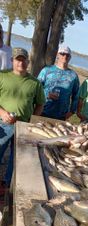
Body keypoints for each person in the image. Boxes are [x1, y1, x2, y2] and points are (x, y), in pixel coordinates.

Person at [0, 48, 45, 195]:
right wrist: (2, 112)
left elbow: (40, 103)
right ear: (12, 60)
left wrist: (31, 121)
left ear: (28, 61)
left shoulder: (35, 83)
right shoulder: (2, 76)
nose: (21, 62)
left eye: (24, 59)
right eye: (18, 59)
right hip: (2, 123)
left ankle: (6, 186)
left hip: (23, 126)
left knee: (16, 158)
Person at [38, 44, 79, 120]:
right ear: (57, 55)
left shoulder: (73, 76)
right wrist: (47, 95)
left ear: (70, 57)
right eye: (62, 54)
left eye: (67, 55)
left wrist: (72, 111)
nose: (65, 56)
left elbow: (76, 95)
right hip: (42, 112)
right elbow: (37, 89)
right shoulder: (46, 70)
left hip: (61, 116)